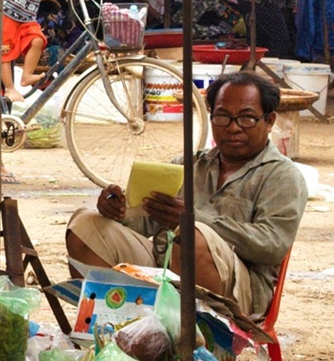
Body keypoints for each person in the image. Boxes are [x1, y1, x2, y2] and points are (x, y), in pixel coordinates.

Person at [65, 73, 306, 321]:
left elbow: (272, 246)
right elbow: (142, 222)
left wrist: (192, 220)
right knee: (86, 226)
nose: (233, 127)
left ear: (269, 121)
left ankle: (193, 342)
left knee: (191, 236)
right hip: (166, 269)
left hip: (238, 292)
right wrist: (116, 209)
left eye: (246, 118)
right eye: (222, 116)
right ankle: (111, 328)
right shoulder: (187, 165)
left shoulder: (282, 175)